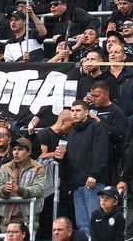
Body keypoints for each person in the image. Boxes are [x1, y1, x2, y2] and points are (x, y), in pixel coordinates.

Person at [58, 101, 109, 239]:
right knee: (82, 225)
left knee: (96, 222)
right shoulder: (71, 135)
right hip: (77, 184)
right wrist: (61, 158)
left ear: (87, 112)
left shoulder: (97, 128)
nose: (74, 113)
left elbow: (101, 152)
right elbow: (69, 162)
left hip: (93, 182)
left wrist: (94, 174)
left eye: (78, 110)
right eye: (73, 110)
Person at [0, 139, 45, 233]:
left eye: (20, 149)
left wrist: (19, 190)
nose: (16, 152)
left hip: (28, 220)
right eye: (14, 149)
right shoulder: (5, 167)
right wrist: (4, 190)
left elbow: (39, 189)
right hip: (7, 220)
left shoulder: (38, 167)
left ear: (29, 152)